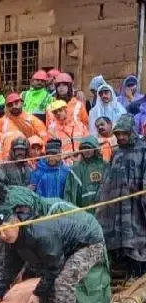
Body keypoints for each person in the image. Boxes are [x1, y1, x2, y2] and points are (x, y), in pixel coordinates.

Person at [0, 189, 110, 303]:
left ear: (14, 222)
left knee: (62, 281)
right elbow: (10, 267)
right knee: (48, 288)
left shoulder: (39, 233)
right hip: (62, 249)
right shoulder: (13, 241)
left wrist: (37, 293)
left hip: (88, 241)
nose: (3, 235)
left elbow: (54, 267)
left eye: (5, 229)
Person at [96, 114, 146, 277]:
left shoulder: (143, 149)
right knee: (120, 240)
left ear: (131, 132)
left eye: (125, 133)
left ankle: (138, 272)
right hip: (117, 206)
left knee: (137, 240)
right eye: (118, 134)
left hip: (137, 205)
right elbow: (108, 180)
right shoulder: (116, 153)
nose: (121, 137)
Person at [64, 136, 107, 211]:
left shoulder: (105, 166)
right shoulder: (75, 169)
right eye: (83, 148)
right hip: (83, 210)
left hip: (104, 209)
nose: (86, 151)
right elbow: (69, 193)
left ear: (95, 148)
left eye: (89, 148)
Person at [47, 100, 89, 164]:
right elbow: (53, 151)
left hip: (83, 161)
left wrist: (81, 155)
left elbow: (88, 143)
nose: (58, 113)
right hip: (64, 165)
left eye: (60, 110)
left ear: (66, 110)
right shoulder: (52, 129)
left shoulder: (79, 125)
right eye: (55, 112)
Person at [0, 137, 32, 203]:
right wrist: (23, 191)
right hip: (8, 206)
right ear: (12, 151)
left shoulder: (29, 168)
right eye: (17, 150)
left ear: (26, 151)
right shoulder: (2, 167)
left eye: (22, 150)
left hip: (26, 206)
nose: (20, 152)